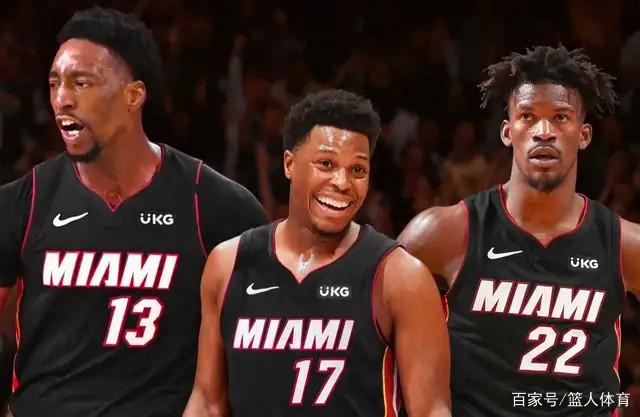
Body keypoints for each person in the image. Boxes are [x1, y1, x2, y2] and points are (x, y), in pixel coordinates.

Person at [0, 7, 267, 416]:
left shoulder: (216, 205)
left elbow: (266, 353)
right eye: (55, 83)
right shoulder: (23, 202)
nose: (62, 99)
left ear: (133, 96)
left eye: (81, 83)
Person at [398, 45, 640, 416]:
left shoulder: (623, 244)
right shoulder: (445, 233)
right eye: (528, 116)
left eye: (561, 117)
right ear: (508, 132)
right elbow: (367, 330)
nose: (544, 132)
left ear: (584, 134)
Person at [183, 89, 451, 417]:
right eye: (326, 164)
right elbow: (207, 402)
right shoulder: (228, 264)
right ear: (289, 164)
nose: (342, 182)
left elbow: (431, 411)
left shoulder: (400, 276)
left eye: (358, 170)